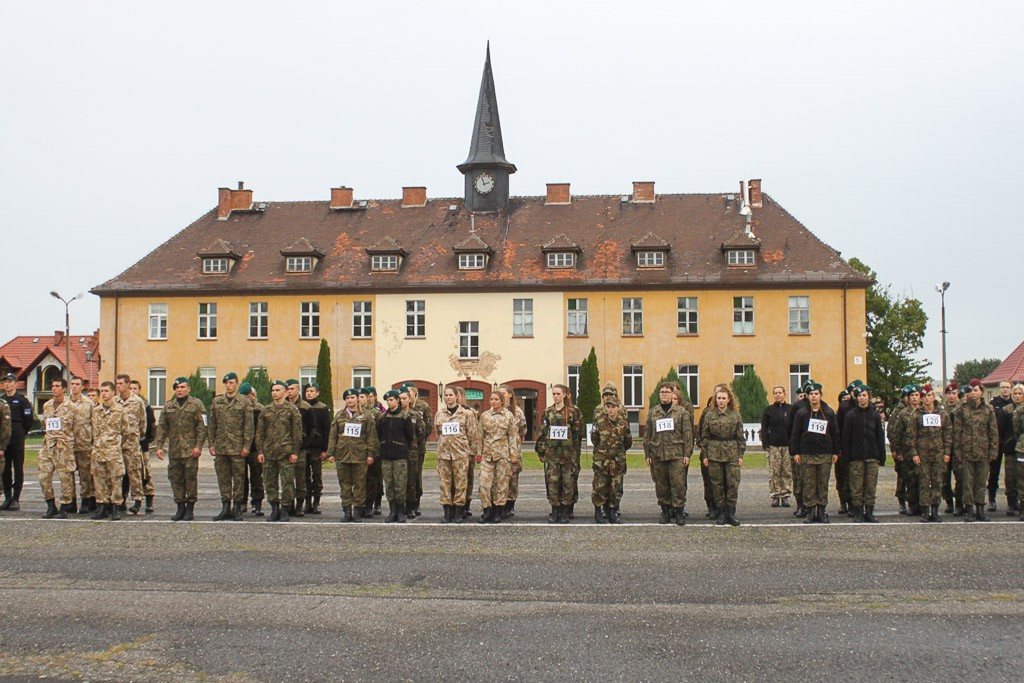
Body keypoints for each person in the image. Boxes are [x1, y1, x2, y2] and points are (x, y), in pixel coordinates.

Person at [154, 376, 208, 521]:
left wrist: (198, 446)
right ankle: (180, 507)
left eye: (182, 387)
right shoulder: (169, 406)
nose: (179, 390)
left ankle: (190, 509)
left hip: (190, 450)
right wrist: (159, 446)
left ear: (188, 388)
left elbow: (202, 426)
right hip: (175, 450)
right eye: (177, 388)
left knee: (190, 479)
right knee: (175, 478)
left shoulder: (196, 404)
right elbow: (162, 427)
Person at [790, 382, 840, 524]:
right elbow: (795, 433)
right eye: (811, 394)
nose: (814, 396)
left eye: (816, 394)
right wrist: (795, 452)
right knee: (809, 483)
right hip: (807, 453)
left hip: (825, 453)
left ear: (820, 395)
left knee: (822, 483)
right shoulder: (801, 413)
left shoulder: (828, 412)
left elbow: (835, 433)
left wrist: (836, 451)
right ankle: (810, 511)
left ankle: (822, 511)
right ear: (807, 396)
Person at [208, 372, 255, 521]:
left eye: (231, 383)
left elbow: (249, 426)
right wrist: (211, 443)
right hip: (221, 446)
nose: (228, 385)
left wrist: (246, 445)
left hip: (237, 447)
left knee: (239, 478)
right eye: (226, 383)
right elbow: (212, 424)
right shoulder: (217, 401)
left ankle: (237, 507)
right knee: (223, 478)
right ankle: (225, 507)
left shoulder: (244, 402)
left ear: (237, 383)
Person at [644, 383, 693, 526]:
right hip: (658, 454)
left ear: (672, 394)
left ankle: (679, 512)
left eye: (667, 391)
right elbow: (647, 434)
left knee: (678, 485)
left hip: (676, 455)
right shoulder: (653, 412)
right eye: (662, 392)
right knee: (661, 485)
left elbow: (687, 435)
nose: (664, 394)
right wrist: (647, 454)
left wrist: (687, 454)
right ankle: (665, 512)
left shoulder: (681, 412)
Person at [327, 388, 378, 522]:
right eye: (347, 398)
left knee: (359, 484)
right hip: (342, 454)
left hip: (360, 455)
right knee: (345, 484)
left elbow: (371, 436)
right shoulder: (340, 415)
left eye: (352, 398)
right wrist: (330, 453)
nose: (350, 400)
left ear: (357, 399)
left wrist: (370, 454)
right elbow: (333, 435)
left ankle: (357, 511)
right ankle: (347, 511)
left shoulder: (366, 416)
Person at [537, 384, 584, 524]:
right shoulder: (548, 412)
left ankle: (565, 511)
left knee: (568, 482)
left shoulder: (573, 411)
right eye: (554, 394)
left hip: (568, 455)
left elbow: (578, 433)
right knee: (552, 482)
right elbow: (542, 432)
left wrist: (575, 453)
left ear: (564, 395)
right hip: (552, 455)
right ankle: (555, 509)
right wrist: (541, 451)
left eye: (558, 394)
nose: (556, 396)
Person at [256, 380, 303, 522]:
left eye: (278, 390)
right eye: (273, 390)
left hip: (285, 452)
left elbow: (297, 433)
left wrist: (295, 452)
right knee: (270, 482)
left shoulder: (292, 410)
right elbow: (260, 433)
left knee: (287, 482)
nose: (275, 393)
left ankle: (285, 508)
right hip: (269, 452)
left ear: (285, 392)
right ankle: (274, 508)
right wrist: (260, 451)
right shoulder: (266, 410)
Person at [954, 379, 999, 522]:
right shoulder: (962, 409)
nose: (972, 393)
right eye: (970, 390)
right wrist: (958, 451)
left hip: (983, 451)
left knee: (981, 482)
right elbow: (957, 432)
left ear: (981, 392)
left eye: (975, 390)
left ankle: (980, 509)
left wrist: (993, 451)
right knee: (967, 482)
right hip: (967, 451)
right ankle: (969, 510)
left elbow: (993, 432)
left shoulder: (989, 410)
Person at [700, 385, 745, 526]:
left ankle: (731, 512)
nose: (721, 401)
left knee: (732, 483)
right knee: (716, 485)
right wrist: (705, 455)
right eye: (718, 398)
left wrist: (740, 454)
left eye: (723, 398)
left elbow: (740, 437)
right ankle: (721, 512)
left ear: (729, 399)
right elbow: (704, 437)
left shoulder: (735, 415)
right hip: (714, 453)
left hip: (731, 452)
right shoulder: (709, 415)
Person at [840, 385, 886, 523]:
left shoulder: (875, 415)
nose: (862, 398)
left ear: (869, 397)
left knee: (870, 486)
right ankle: (858, 512)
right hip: (856, 457)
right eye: (859, 395)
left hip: (872, 456)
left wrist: (881, 456)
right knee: (856, 487)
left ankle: (869, 512)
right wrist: (846, 457)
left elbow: (879, 436)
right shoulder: (851, 415)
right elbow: (846, 437)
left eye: (864, 395)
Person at [907, 383, 952, 522]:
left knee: (938, 482)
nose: (927, 398)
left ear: (933, 396)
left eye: (929, 395)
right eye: (924, 396)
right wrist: (914, 453)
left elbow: (948, 434)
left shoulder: (942, 414)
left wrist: (946, 452)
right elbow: (911, 436)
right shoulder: (917, 415)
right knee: (924, 483)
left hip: (938, 454)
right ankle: (925, 511)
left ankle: (935, 510)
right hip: (923, 454)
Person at [435, 386, 478, 523]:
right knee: (445, 484)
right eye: (446, 395)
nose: (448, 397)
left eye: (450, 395)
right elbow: (438, 432)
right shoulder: (440, 414)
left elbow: (472, 434)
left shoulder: (466, 414)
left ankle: (459, 511)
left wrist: (472, 453)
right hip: (444, 455)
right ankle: (447, 512)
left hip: (460, 454)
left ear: (456, 397)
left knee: (460, 483)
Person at [90, 381, 130, 521]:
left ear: (113, 393)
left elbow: (126, 431)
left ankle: (116, 507)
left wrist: (116, 444)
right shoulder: (96, 411)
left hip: (113, 452)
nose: (104, 394)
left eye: (106, 391)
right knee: (99, 480)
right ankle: (102, 506)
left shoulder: (120, 410)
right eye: (102, 391)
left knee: (116, 480)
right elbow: (93, 431)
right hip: (98, 451)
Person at [39, 378, 76, 519]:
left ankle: (64, 506)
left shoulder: (71, 406)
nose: (54, 388)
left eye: (57, 386)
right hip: (48, 445)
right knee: (43, 476)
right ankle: (50, 505)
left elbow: (77, 427)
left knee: (65, 477)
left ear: (64, 389)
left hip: (63, 446)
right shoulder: (47, 405)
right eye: (52, 386)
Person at [477, 391, 517, 524]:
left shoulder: (509, 416)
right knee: (484, 483)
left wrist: (513, 455)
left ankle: (497, 511)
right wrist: (478, 453)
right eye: (491, 399)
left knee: (501, 484)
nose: (493, 402)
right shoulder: (485, 416)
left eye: (496, 399)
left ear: (502, 401)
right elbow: (479, 436)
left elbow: (512, 436)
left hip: (503, 455)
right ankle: (486, 510)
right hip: (487, 455)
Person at [590, 397, 632, 523]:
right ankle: (598, 511)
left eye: (613, 407)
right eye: (608, 407)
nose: (610, 410)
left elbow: (628, 442)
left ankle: (612, 511)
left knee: (616, 487)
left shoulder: (623, 423)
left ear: (618, 408)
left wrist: (618, 452)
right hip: (602, 461)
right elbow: (594, 439)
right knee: (599, 487)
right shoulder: (599, 422)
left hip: (617, 461)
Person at [377, 389, 415, 522]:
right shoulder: (382, 417)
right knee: (389, 484)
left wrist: (401, 446)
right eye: (387, 400)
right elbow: (379, 434)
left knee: (400, 484)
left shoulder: (404, 417)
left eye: (391, 400)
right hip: (386, 455)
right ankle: (392, 510)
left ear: (397, 400)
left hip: (400, 455)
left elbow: (410, 436)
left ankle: (400, 511)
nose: (389, 402)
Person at [114, 374, 147, 514]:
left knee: (134, 473)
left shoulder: (137, 401)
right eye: (117, 383)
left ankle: (138, 500)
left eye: (121, 383)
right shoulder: (114, 401)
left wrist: (138, 437)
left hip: (132, 444)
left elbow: (143, 423)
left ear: (128, 384)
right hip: (117, 444)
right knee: (119, 474)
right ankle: (120, 500)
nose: (118, 386)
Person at [0, 372, 32, 511]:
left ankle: (16, 498)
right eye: (5, 382)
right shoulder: (1, 400)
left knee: (18, 468)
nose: (7, 384)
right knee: (5, 469)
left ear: (15, 383)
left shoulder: (22, 400)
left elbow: (28, 420)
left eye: (10, 382)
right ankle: (7, 497)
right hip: (4, 439)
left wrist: (21, 432)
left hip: (17, 436)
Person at [285, 379, 315, 517]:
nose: (289, 391)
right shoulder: (283, 405)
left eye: (292, 389)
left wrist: (305, 443)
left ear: (298, 390)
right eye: (287, 389)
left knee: (300, 478)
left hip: (300, 449)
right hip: (285, 447)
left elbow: (312, 428)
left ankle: (299, 505)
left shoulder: (305, 406)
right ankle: (289, 504)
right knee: (287, 478)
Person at [760, 385, 792, 508]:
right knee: (774, 471)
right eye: (776, 393)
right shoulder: (769, 410)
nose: (778, 395)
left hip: (788, 446)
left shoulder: (790, 409)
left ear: (784, 394)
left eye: (780, 392)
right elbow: (764, 428)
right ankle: (775, 495)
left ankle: (785, 495)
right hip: (773, 446)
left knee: (787, 471)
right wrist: (765, 443)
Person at [403, 383, 433, 518]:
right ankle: (406, 503)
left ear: (415, 393)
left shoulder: (423, 407)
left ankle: (416, 502)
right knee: (405, 476)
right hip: (404, 449)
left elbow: (427, 428)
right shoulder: (401, 407)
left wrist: (417, 442)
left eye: (409, 392)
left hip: (418, 449)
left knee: (416, 476)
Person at [498, 384, 526, 519]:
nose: (502, 396)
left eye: (504, 393)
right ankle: (499, 505)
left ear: (510, 395)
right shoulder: (495, 411)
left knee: (513, 479)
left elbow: (522, 430)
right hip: (499, 451)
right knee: (499, 479)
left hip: (513, 451)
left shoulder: (517, 412)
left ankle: (510, 505)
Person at [68, 376, 96, 514]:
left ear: (82, 387)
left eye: (77, 384)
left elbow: (94, 423)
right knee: (68, 475)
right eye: (72, 384)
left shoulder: (89, 403)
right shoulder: (65, 402)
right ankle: (70, 501)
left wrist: (94, 441)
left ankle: (86, 500)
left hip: (84, 444)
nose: (74, 386)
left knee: (85, 475)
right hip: (67, 445)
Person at [129, 379, 157, 514]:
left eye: (135, 388)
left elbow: (151, 426)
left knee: (145, 473)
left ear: (139, 390)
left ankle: (149, 499)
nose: (132, 391)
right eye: (130, 388)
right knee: (128, 475)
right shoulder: (122, 404)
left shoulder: (145, 406)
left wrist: (146, 440)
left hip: (141, 446)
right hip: (127, 446)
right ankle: (126, 500)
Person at [303, 383, 331, 515]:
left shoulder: (322, 408)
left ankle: (316, 502)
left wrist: (325, 449)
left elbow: (326, 429)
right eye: (307, 391)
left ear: (317, 393)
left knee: (317, 474)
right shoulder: (303, 407)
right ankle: (307, 501)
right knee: (304, 475)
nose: (309, 393)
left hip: (317, 447)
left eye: (312, 391)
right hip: (304, 446)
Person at [239, 382, 265, 516]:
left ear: (253, 395)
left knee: (257, 478)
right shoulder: (239, 408)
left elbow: (264, 430)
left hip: (255, 449)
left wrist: (262, 450)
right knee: (241, 478)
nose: (244, 398)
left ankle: (257, 503)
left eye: (246, 395)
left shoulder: (260, 409)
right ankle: (242, 503)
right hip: (241, 448)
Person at [997, 383, 1023, 516]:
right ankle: (1011, 503)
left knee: (1021, 477)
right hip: (1010, 448)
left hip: (1022, 449)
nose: (1017, 396)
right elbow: (1000, 429)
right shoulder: (1006, 410)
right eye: (1015, 394)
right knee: (1010, 477)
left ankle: (1021, 503)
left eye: (1020, 394)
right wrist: (1005, 443)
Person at [988, 380, 1014, 512]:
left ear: (1011, 389)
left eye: (1007, 387)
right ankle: (992, 499)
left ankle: (1012, 501)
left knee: (1011, 474)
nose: (1005, 390)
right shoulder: (993, 404)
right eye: (1003, 387)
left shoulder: (1014, 404)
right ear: (999, 388)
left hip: (1010, 442)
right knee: (994, 473)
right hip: (996, 442)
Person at [362, 387, 384, 517]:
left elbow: (381, 432)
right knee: (362, 480)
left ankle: (375, 503)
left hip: (375, 451)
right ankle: (362, 504)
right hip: (360, 451)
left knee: (374, 479)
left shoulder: (376, 413)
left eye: (365, 397)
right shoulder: (355, 413)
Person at [788, 384, 809, 518]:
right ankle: (800, 504)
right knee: (798, 478)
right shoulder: (797, 407)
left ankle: (812, 506)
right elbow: (790, 428)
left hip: (813, 449)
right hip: (799, 448)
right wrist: (793, 448)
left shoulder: (822, 408)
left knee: (811, 479)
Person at [942, 382, 963, 515]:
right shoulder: (941, 409)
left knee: (960, 477)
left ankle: (959, 503)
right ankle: (949, 501)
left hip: (958, 447)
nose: (951, 396)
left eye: (954, 393)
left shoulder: (962, 409)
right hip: (944, 447)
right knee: (944, 478)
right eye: (949, 393)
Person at [1012, 389, 1024, 521]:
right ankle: (1023, 507)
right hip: (1022, 448)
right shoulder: (1020, 410)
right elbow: (1017, 430)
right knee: (1022, 479)